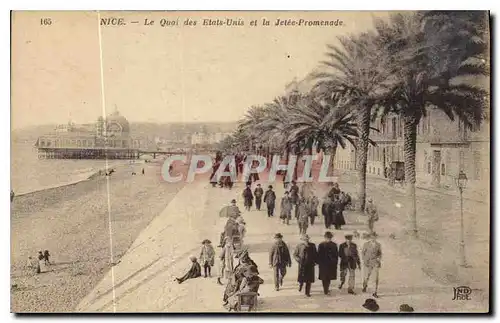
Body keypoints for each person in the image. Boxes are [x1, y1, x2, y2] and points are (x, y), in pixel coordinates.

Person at [362, 232, 382, 298]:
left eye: (374, 237)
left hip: (375, 262)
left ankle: (374, 292)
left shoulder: (378, 245)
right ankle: (365, 286)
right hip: (368, 263)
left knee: (375, 278)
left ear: (376, 237)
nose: (373, 238)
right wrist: (365, 260)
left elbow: (380, 253)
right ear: (370, 237)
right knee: (366, 277)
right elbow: (363, 253)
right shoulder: (366, 244)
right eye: (372, 237)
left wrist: (379, 258)